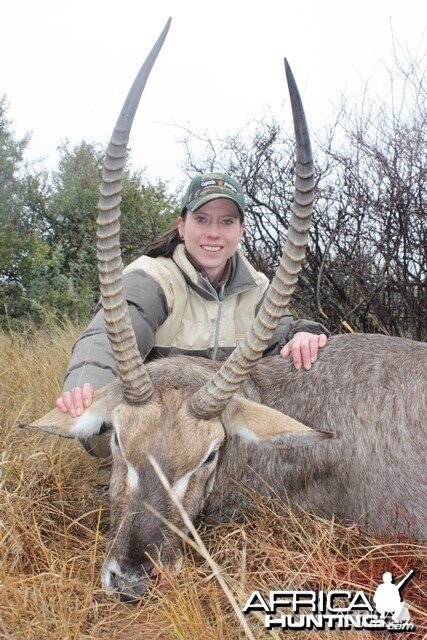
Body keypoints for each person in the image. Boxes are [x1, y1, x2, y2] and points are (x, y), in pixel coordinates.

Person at [56, 172, 329, 455]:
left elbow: (282, 327)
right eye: (201, 219)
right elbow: (109, 334)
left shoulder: (256, 287)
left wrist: (304, 334)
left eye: (226, 221)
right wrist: (87, 384)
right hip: (155, 423)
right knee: (100, 437)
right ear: (182, 226)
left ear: (241, 230)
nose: (213, 233)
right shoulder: (151, 277)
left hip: (214, 428)